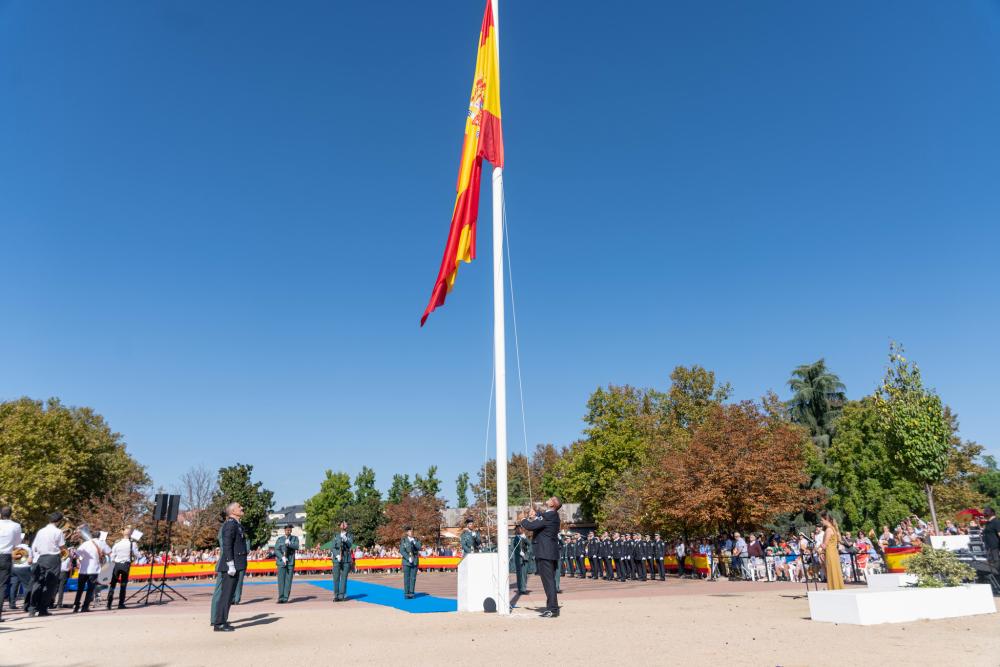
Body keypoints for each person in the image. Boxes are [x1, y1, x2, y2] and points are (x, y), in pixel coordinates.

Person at [520, 497, 562, 618]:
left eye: (551, 499)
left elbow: (531, 526)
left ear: (554, 504)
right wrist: (536, 515)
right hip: (548, 552)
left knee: (548, 582)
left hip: (545, 553)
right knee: (550, 582)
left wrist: (522, 519)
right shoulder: (551, 515)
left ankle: (552, 609)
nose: (548, 499)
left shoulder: (550, 515)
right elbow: (541, 518)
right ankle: (552, 607)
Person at [211, 502, 248, 632]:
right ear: (232, 511)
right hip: (230, 566)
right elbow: (227, 545)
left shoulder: (237, 525)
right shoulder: (230, 525)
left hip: (236, 564)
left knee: (229, 595)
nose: (242, 508)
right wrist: (230, 563)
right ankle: (219, 623)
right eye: (239, 507)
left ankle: (223, 620)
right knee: (226, 595)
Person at [29, 511, 66, 616]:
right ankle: (42, 609)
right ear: (59, 521)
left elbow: (34, 547)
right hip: (53, 558)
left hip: (41, 558)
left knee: (38, 583)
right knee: (50, 584)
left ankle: (32, 608)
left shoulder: (41, 531)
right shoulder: (58, 531)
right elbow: (62, 547)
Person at [73, 529, 110, 613]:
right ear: (99, 536)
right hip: (94, 569)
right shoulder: (101, 543)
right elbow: (109, 552)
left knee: (80, 589)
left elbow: (77, 554)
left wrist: (81, 560)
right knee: (90, 589)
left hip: (83, 569)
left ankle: (76, 606)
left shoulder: (85, 543)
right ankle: (85, 607)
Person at [107, 527, 139, 610]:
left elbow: (112, 556)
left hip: (116, 565)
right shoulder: (132, 543)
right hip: (125, 565)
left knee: (113, 585)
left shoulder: (117, 543)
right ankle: (121, 604)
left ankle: (109, 604)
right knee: (123, 585)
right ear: (130, 534)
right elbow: (137, 554)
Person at [0, 506, 22, 622]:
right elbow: (17, 543)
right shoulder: (16, 526)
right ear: (11, 514)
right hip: (5, 557)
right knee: (2, 586)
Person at [274, 524, 299, 603]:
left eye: (290, 530)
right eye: (287, 529)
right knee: (281, 580)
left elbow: (297, 546)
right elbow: (276, 550)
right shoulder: (280, 539)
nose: (289, 531)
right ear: (284, 530)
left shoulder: (294, 538)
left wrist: (290, 544)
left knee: (288, 581)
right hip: (281, 562)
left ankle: (285, 598)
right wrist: (282, 557)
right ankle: (280, 597)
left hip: (290, 562)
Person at [331, 520, 353, 602]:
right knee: (336, 578)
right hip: (337, 559)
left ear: (347, 526)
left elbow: (350, 544)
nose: (343, 525)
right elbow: (332, 547)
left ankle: (342, 595)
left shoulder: (350, 535)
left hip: (346, 558)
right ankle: (336, 595)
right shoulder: (335, 535)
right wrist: (337, 555)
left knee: (344, 578)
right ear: (339, 526)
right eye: (342, 524)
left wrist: (345, 539)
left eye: (345, 523)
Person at [820, 513, 844, 590]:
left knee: (831, 571)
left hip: (830, 553)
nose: (821, 522)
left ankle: (834, 588)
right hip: (834, 552)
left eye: (822, 520)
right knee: (835, 570)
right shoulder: (833, 528)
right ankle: (837, 587)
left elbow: (825, 544)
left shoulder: (829, 530)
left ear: (826, 519)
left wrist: (819, 549)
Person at [400, 525, 421, 599]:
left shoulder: (416, 539)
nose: (411, 532)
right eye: (409, 531)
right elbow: (402, 550)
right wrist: (408, 557)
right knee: (406, 578)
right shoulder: (404, 540)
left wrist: (414, 542)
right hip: (406, 561)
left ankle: (412, 593)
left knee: (413, 578)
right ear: (407, 532)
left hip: (415, 560)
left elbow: (419, 547)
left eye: (412, 531)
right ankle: (406, 593)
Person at [982, 507, 1000, 577]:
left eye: (986, 511)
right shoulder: (988, 523)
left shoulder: (997, 522)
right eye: (984, 511)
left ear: (992, 513)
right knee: (991, 564)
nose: (985, 512)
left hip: (995, 547)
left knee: (997, 563)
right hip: (989, 547)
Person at [512, 526, 529, 594]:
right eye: (519, 529)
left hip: (524, 558)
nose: (520, 530)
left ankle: (524, 589)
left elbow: (529, 544)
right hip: (518, 559)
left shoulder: (524, 537)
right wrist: (519, 553)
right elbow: (513, 548)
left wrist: (525, 538)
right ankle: (520, 589)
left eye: (521, 529)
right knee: (519, 575)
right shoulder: (516, 538)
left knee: (524, 574)